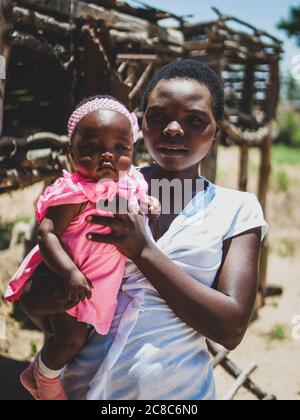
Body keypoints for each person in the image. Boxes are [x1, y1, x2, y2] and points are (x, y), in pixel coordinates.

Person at [18, 59, 269, 400]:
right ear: (140, 123)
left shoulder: (235, 210)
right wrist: (50, 295)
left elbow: (231, 327)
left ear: (217, 130)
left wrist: (143, 251)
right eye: (159, 117)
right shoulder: (98, 192)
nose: (173, 130)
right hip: (84, 389)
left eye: (194, 120)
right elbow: (37, 295)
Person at [5, 96, 160, 400]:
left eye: (120, 148)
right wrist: (70, 273)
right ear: (70, 152)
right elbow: (47, 233)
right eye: (91, 148)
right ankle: (44, 382)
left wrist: (147, 204)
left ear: (132, 151)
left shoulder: (127, 186)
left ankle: (39, 369)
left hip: (98, 286)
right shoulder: (74, 192)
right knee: (70, 337)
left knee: (82, 338)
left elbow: (130, 202)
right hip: (68, 279)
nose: (107, 156)